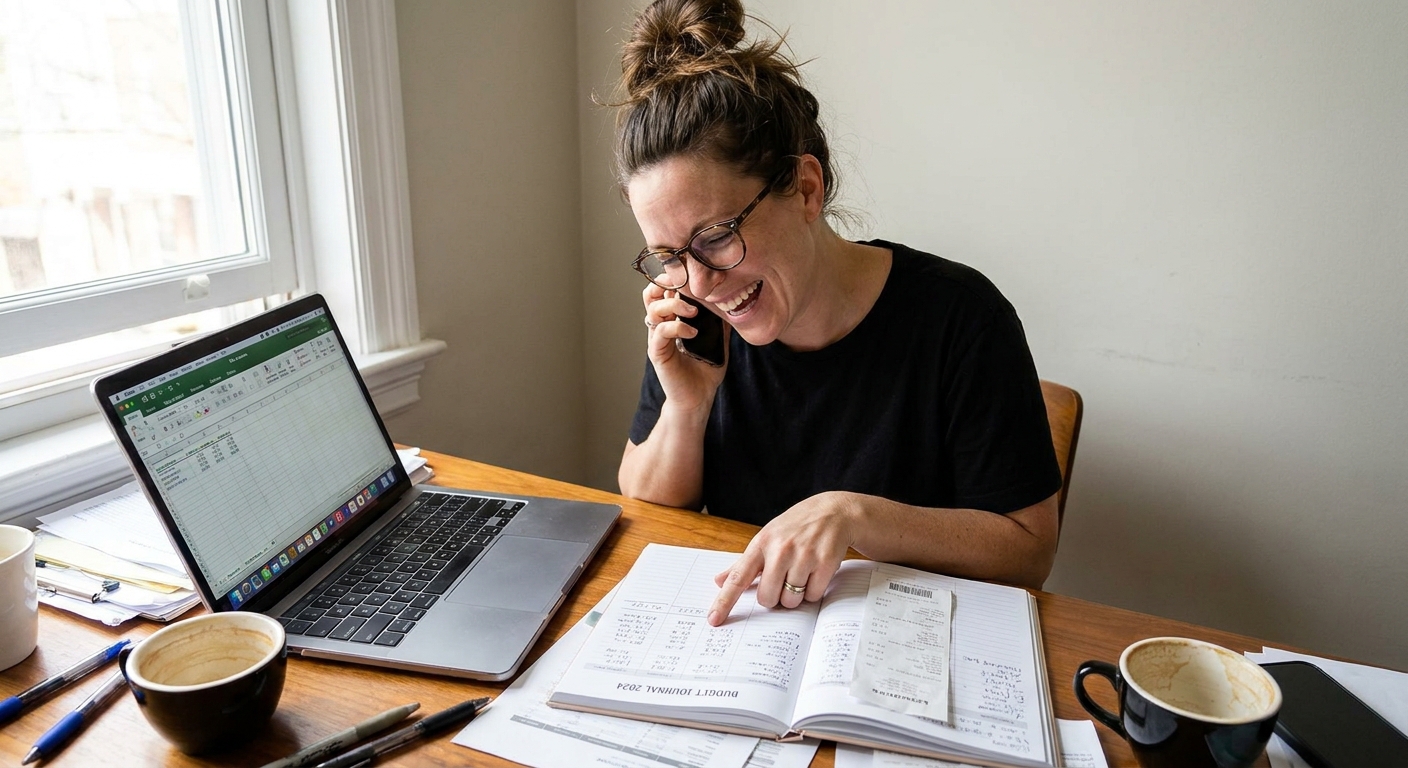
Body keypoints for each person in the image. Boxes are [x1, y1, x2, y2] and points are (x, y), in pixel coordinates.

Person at [613, 0, 1063, 627]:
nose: (703, 282)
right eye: (669, 254)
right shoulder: (696, 314)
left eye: (716, 236)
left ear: (804, 188)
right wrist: (687, 409)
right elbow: (646, 502)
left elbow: (1028, 552)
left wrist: (855, 514)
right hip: (743, 644)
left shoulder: (961, 317)